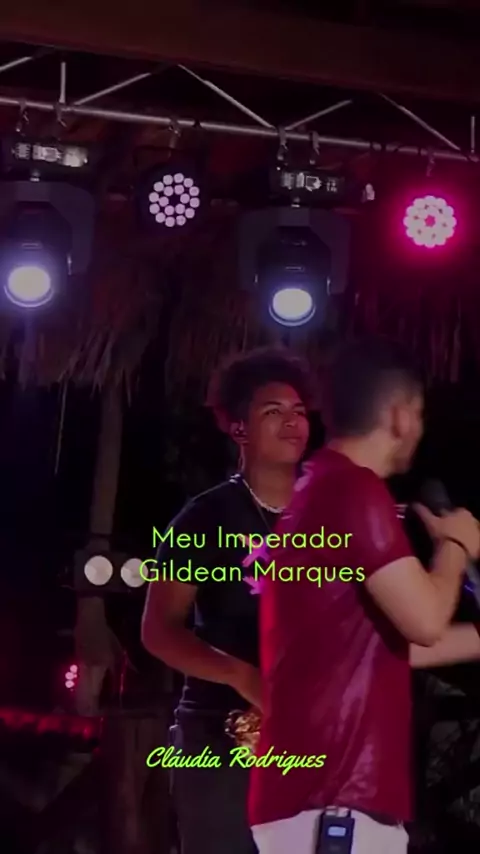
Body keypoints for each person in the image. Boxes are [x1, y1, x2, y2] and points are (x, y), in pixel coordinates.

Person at [248, 337, 480, 854]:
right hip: (336, 799)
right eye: (418, 413)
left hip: (325, 803)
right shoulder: (354, 492)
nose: (419, 427)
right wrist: (456, 545)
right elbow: (425, 620)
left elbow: (396, 644)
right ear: (399, 415)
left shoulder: (320, 492)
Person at [142, 347, 314, 854]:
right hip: (221, 735)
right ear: (238, 429)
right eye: (273, 412)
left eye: (299, 411)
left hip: (316, 732)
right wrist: (241, 676)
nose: (292, 422)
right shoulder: (205, 517)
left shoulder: (333, 513)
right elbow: (159, 631)